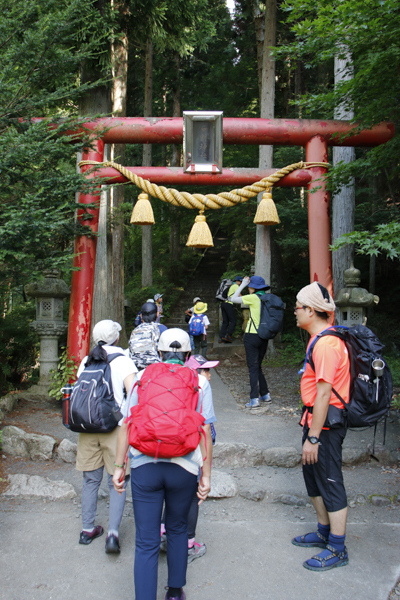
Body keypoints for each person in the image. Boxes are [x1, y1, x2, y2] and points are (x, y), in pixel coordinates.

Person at [112, 329, 215, 600]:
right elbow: (205, 431)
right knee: (178, 528)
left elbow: (126, 425)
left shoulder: (141, 378)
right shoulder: (200, 381)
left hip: (146, 465)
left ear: (158, 353)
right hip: (184, 467)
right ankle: (174, 591)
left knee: (146, 540)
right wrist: (206, 475)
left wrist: (119, 467)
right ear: (189, 354)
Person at [292, 281, 350, 571]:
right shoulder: (319, 340)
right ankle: (323, 531)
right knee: (313, 478)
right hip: (314, 422)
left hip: (325, 427)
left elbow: (325, 394)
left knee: (329, 481)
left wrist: (313, 438)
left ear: (312, 311)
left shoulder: (327, 344)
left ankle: (337, 548)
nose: (295, 312)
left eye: (298, 307)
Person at [75, 320, 137, 553]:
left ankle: (87, 529)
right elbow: (134, 393)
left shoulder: (86, 360)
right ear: (116, 338)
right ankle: (112, 534)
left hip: (87, 427)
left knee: (91, 480)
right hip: (114, 429)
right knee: (117, 482)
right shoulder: (122, 361)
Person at [160, 354, 219, 563]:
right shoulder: (199, 387)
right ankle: (188, 544)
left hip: (164, 453)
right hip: (191, 456)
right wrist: (206, 471)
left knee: (168, 496)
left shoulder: (169, 388)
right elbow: (205, 431)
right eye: (205, 370)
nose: (209, 376)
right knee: (193, 498)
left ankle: (162, 533)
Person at [230, 275, 272, 408]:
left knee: (253, 368)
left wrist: (242, 285)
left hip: (252, 336)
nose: (249, 288)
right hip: (264, 336)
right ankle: (265, 394)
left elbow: (233, 298)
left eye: (249, 287)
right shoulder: (268, 298)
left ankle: (254, 399)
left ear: (253, 287)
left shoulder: (253, 297)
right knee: (257, 365)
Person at [129, 302, 167, 371]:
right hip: (155, 369)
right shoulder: (161, 328)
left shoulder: (135, 331)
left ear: (141, 316)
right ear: (157, 314)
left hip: (136, 368)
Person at [219, 275, 243, 343]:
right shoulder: (236, 286)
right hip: (229, 304)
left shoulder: (230, 286)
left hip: (223, 304)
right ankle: (228, 336)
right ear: (237, 281)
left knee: (225, 321)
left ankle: (221, 337)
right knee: (233, 321)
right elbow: (240, 296)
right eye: (240, 281)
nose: (241, 283)